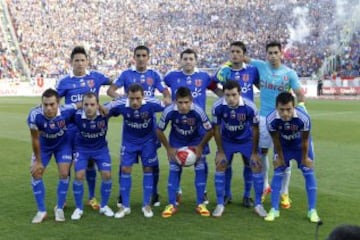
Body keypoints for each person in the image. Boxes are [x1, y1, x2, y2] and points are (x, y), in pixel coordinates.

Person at [217, 40, 306, 208]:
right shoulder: (260, 66)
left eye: (275, 53)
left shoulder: (290, 73)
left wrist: (299, 111)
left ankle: (284, 192)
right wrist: (226, 64)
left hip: (283, 120)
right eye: (270, 53)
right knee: (262, 153)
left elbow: (300, 95)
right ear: (266, 55)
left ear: (281, 54)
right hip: (264, 118)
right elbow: (241, 57)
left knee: (283, 156)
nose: (273, 56)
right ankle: (265, 187)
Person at [107, 45, 171, 207]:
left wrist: (167, 98)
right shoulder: (126, 74)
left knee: (151, 163)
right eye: (138, 55)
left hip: (149, 126)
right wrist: (121, 98)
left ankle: (153, 194)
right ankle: (122, 196)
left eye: (144, 55)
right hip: (131, 123)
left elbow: (165, 91)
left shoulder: (154, 74)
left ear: (148, 58)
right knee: (125, 163)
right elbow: (111, 90)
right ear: (134, 57)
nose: (141, 58)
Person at [56, 46, 112, 210]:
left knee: (90, 164)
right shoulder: (64, 81)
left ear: (87, 61)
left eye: (82, 60)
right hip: (70, 129)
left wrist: (112, 94)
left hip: (91, 129)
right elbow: (56, 103)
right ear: (71, 62)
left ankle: (92, 197)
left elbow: (115, 82)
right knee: (66, 167)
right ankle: (63, 199)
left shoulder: (96, 77)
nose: (80, 63)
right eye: (76, 61)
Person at [164, 48, 221, 205]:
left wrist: (226, 99)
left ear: (196, 61)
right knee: (177, 160)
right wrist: (167, 96)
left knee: (201, 161)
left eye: (191, 59)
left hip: (199, 126)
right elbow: (163, 87)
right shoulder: (171, 76)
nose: (188, 61)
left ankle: (202, 192)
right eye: (185, 58)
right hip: (179, 125)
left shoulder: (203, 76)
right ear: (181, 60)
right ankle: (177, 190)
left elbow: (215, 88)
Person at [107, 84, 165, 218]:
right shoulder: (121, 103)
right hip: (129, 142)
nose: (134, 102)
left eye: (138, 98)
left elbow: (169, 106)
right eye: (132, 98)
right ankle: (125, 206)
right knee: (125, 169)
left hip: (148, 142)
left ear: (143, 96)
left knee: (148, 169)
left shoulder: (152, 103)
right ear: (127, 96)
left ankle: (146, 205)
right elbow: (104, 108)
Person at [213, 41, 260, 207]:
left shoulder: (252, 70)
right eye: (232, 51)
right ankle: (227, 194)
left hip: (247, 121)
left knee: (249, 163)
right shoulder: (224, 71)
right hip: (229, 124)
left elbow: (260, 85)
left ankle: (247, 195)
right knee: (227, 162)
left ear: (244, 53)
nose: (234, 54)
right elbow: (212, 83)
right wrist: (222, 97)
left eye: (238, 51)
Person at [211, 80, 266, 217]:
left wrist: (254, 153)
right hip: (227, 140)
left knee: (255, 165)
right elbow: (216, 129)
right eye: (227, 95)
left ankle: (256, 203)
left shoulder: (250, 107)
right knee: (221, 164)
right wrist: (221, 151)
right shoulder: (217, 107)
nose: (231, 98)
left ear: (239, 93)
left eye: (234, 95)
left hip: (246, 140)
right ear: (223, 94)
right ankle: (220, 203)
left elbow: (255, 130)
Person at [156, 87, 213, 218]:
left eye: (186, 102)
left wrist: (200, 146)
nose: (183, 106)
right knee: (174, 171)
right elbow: (159, 130)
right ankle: (171, 204)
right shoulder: (169, 111)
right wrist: (169, 148)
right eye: (180, 102)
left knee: (200, 170)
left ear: (191, 101)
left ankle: (200, 204)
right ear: (175, 101)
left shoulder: (198, 111)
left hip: (195, 142)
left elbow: (210, 130)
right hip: (177, 144)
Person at [264, 92, 320, 223]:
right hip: (283, 146)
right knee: (278, 172)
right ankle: (274, 209)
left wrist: (305, 158)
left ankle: (312, 210)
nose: (285, 113)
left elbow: (306, 140)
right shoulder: (271, 119)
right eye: (281, 110)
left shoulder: (303, 118)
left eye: (288, 109)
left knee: (309, 173)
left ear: (293, 107)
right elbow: (276, 140)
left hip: (301, 146)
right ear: (276, 108)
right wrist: (280, 157)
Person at [27, 88, 78, 223]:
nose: (48, 108)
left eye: (52, 104)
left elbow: (81, 104)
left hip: (63, 145)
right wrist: (38, 161)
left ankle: (59, 208)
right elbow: (35, 139)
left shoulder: (67, 109)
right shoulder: (34, 115)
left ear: (58, 103)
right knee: (36, 173)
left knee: (64, 173)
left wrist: (100, 106)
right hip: (44, 146)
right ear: (42, 104)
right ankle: (41, 211)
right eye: (45, 105)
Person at [70, 93, 114, 220]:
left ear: (98, 105)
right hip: (81, 149)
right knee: (79, 175)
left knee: (107, 175)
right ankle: (78, 208)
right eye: (86, 105)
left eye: (92, 104)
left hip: (100, 149)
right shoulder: (76, 115)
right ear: (82, 105)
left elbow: (120, 104)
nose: (89, 108)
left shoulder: (105, 113)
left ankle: (104, 206)